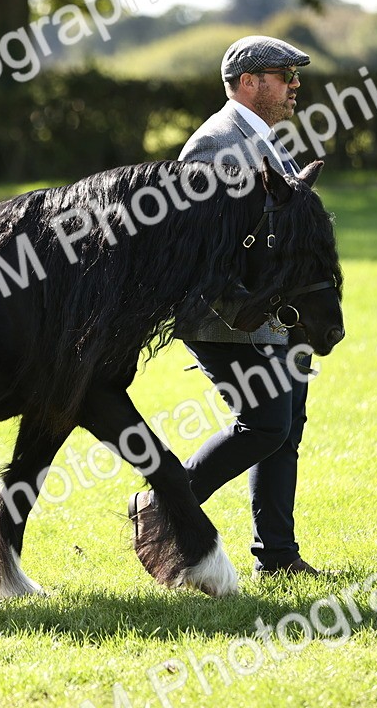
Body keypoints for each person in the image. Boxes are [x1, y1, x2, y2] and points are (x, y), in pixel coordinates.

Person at [128, 35, 328, 576]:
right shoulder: (214, 145)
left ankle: (278, 557)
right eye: (285, 76)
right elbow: (199, 249)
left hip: (276, 317)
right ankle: (161, 505)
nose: (295, 85)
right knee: (265, 425)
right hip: (227, 321)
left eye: (294, 76)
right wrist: (246, 311)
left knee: (285, 430)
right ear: (248, 82)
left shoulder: (267, 139)